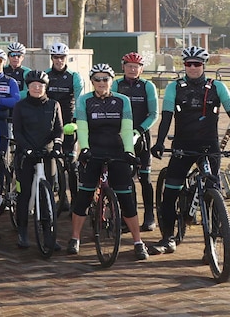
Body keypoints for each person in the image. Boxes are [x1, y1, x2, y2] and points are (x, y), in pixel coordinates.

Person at [148, 45, 230, 256]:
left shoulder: (218, 87)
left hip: (209, 146)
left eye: (197, 64)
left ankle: (210, 246)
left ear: (204, 65)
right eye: (188, 64)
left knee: (214, 194)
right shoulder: (175, 88)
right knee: (170, 192)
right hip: (183, 147)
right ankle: (168, 238)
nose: (193, 68)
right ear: (184, 65)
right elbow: (166, 115)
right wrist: (160, 142)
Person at [66, 63, 147, 259]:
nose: (101, 83)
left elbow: (127, 129)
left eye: (105, 79)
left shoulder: (122, 100)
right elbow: (82, 128)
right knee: (84, 196)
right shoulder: (85, 100)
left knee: (127, 199)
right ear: (92, 81)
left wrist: (129, 151)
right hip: (93, 150)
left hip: (117, 150)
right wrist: (83, 149)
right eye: (97, 79)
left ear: (111, 81)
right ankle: (75, 238)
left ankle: (138, 241)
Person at [12, 69, 63, 249]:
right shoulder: (20, 106)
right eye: (33, 85)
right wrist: (26, 149)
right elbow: (17, 132)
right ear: (28, 87)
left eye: (40, 85)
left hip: (47, 153)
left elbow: (59, 130)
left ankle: (49, 234)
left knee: (48, 195)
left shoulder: (54, 105)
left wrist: (57, 146)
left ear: (45, 87)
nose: (37, 88)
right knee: (24, 194)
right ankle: (23, 232)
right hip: (26, 154)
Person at [116, 51, 159, 231]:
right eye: (129, 66)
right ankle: (128, 216)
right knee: (125, 179)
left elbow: (154, 114)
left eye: (136, 66)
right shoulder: (116, 84)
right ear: (123, 67)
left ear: (141, 69)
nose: (133, 69)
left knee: (145, 178)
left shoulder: (148, 86)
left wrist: (138, 131)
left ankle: (149, 215)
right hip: (120, 137)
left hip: (141, 136)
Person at [46, 42, 83, 210]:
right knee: (55, 161)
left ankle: (76, 200)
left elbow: (80, 100)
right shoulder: (46, 75)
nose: (59, 60)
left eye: (62, 57)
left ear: (66, 58)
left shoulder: (74, 76)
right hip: (51, 123)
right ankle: (62, 199)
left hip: (69, 123)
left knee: (72, 164)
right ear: (52, 58)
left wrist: (75, 122)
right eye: (56, 57)